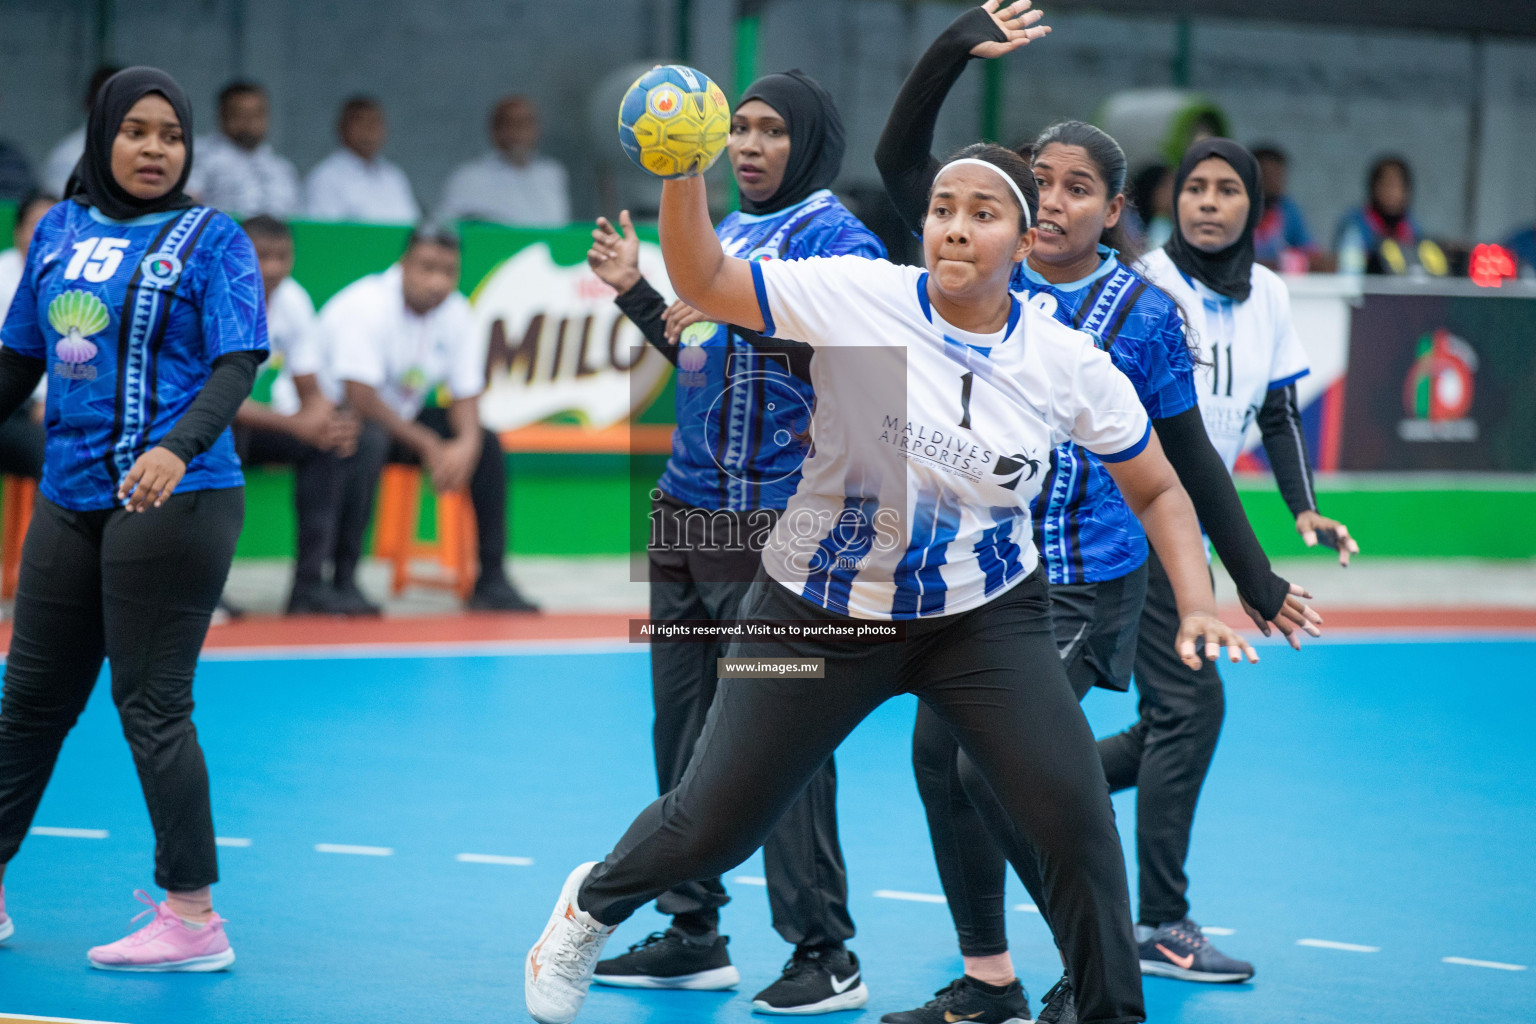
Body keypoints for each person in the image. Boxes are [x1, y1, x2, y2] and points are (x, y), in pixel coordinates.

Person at [525, 89, 1264, 1024]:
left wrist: (1198, 599)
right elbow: (706, 280)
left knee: (1074, 824)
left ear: (1023, 239)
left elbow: (1159, 485)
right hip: (819, 604)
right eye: (943, 210)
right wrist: (681, 173)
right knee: (717, 822)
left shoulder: (1062, 359)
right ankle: (589, 907)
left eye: (983, 213)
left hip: (983, 615)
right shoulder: (860, 299)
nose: (956, 228)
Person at [872, 6, 1324, 1021]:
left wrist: (1250, 581)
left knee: (996, 771)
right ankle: (988, 978)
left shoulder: (1144, 314)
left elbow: (1191, 460)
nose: (1054, 201)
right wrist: (954, 46)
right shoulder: (982, 271)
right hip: (980, 571)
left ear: (1117, 208)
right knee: (934, 762)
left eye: (1081, 189)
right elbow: (899, 156)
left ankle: (1096, 965)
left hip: (1085, 578)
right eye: (1040, 182)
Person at [584, 70, 886, 1015]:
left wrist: (737, 315)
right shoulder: (722, 236)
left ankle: (825, 950)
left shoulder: (844, 240)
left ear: (810, 142)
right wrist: (640, 293)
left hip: (777, 528)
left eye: (769, 132)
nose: (748, 146)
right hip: (686, 515)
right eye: (740, 130)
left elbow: (869, 381)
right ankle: (692, 929)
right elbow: (706, 356)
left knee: (781, 742)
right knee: (681, 733)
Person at [0, 66, 267, 970]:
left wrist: (176, 448)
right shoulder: (58, 230)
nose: (155, 148)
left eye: (172, 135)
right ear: (103, 136)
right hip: (70, 495)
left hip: (177, 496)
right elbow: (16, 363)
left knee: (152, 707)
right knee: (29, 703)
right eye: (137, 131)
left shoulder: (214, 238)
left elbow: (236, 364)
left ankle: (193, 921)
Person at [325, 225, 537, 612]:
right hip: (338, 420)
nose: (438, 282)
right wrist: (430, 445)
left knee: (487, 442)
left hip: (402, 422)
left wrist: (465, 447)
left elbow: (465, 392)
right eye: (426, 268)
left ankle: (492, 580)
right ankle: (342, 581)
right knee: (365, 439)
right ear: (403, 264)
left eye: (448, 271)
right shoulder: (366, 305)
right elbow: (360, 398)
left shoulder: (455, 311)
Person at [231, 215, 372, 614]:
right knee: (228, 436)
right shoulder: (217, 295)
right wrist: (301, 423)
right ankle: (205, 590)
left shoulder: (292, 299)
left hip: (248, 422)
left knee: (328, 444)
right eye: (262, 256)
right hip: (190, 427)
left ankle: (309, 589)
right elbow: (217, 400)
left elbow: (310, 388)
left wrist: (327, 422)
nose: (274, 268)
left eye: (283, 256)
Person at [437, 96, 570, 226]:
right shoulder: (469, 177)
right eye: (512, 123)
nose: (520, 131)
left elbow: (560, 227)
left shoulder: (552, 173)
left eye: (527, 123)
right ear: (496, 130)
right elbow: (447, 229)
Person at [0, 191, 55, 481]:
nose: (46, 233)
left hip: (62, 407)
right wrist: (35, 403)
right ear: (18, 230)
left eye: (55, 224)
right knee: (50, 452)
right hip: (14, 409)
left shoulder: (76, 280)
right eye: (36, 224)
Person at [187, 81, 301, 219]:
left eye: (257, 114)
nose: (250, 122)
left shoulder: (282, 169)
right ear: (222, 116)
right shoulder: (200, 156)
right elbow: (188, 208)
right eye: (241, 114)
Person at [305, 96, 419, 224]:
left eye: (375, 123)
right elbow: (323, 234)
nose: (369, 131)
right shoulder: (326, 177)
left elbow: (412, 227)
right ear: (342, 127)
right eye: (361, 123)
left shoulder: (394, 176)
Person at [1332, 155, 1446, 276]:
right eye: (1387, 185)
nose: (1392, 192)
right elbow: (1347, 270)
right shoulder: (1354, 224)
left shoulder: (1411, 227)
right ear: (1373, 188)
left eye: (1398, 186)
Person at [42, 66, 123, 197]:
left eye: (122, 101)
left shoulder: (147, 150)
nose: (113, 109)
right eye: (104, 100)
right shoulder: (68, 157)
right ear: (88, 102)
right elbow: (64, 211)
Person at [1250, 145, 1320, 273]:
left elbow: (1311, 255)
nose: (1273, 182)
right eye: (1266, 175)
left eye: (1278, 175)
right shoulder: (1240, 210)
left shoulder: (1288, 210)